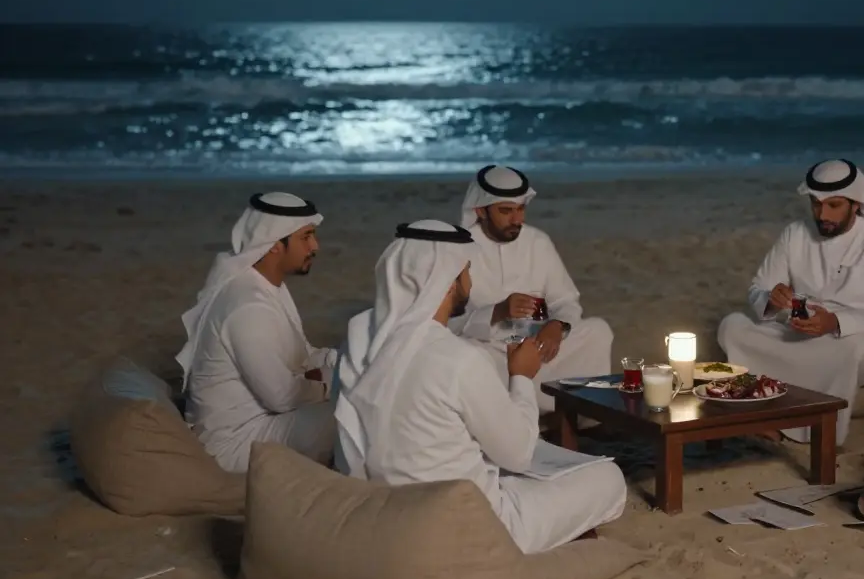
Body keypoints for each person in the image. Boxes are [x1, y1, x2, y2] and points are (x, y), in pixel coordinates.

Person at [332, 220, 627, 555]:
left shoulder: (357, 339)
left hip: (384, 511)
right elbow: (518, 455)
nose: (470, 281)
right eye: (466, 271)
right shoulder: (458, 358)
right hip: (468, 526)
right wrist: (521, 376)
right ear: (448, 283)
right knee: (608, 478)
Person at [717, 159, 864, 446]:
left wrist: (834, 322)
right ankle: (763, 414)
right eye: (816, 204)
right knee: (731, 326)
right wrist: (771, 300)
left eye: (834, 205)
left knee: (851, 351)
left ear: (856, 204)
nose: (822, 214)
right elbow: (759, 287)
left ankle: (789, 424)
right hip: (800, 331)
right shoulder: (795, 233)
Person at [177, 192, 336, 474]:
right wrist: (329, 386)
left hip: (263, 422)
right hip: (235, 443)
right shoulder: (247, 307)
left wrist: (343, 364)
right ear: (275, 245)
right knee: (351, 415)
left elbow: (303, 356)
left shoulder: (264, 286)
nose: (315, 246)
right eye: (306, 237)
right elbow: (281, 397)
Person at [448, 164, 613, 412]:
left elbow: (566, 301)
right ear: (481, 210)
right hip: (490, 351)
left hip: (538, 347)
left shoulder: (537, 242)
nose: (518, 220)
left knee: (598, 331)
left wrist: (558, 326)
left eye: (521, 209)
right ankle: (516, 413)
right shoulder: (457, 249)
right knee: (467, 354)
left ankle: (571, 410)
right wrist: (497, 312)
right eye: (506, 211)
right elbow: (446, 323)